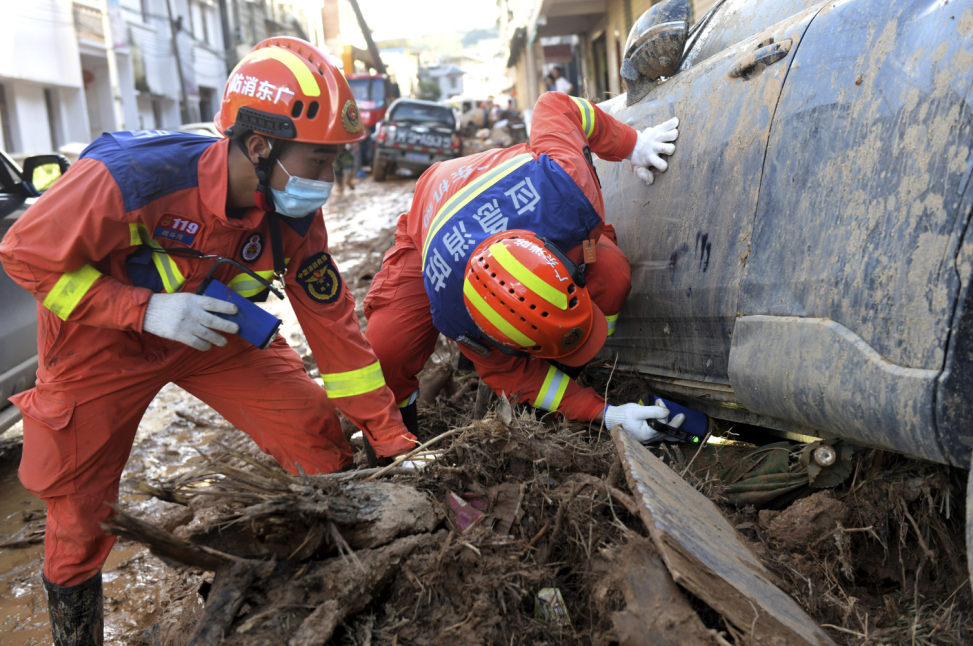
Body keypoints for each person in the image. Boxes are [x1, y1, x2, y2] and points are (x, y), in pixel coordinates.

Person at [0, 37, 418, 645]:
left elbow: (334, 328)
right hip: (99, 346)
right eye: (320, 162)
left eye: (336, 162)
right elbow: (23, 256)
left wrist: (394, 439)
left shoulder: (295, 214)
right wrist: (141, 309)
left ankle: (322, 581)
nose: (331, 180)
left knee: (317, 437)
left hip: (213, 330)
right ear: (259, 145)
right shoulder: (130, 179)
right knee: (79, 516)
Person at [363, 91, 680, 444]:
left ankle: (576, 366)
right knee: (387, 351)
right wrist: (603, 413)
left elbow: (555, 105)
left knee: (612, 274)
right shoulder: (456, 311)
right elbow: (516, 375)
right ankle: (393, 444)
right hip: (429, 222)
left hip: (514, 190)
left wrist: (631, 144)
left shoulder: (568, 185)